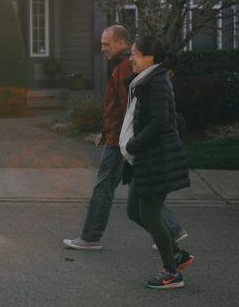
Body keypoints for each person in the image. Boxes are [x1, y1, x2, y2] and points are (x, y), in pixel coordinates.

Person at [63, 25, 187, 250]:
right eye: (101, 44)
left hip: (123, 140)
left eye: (106, 44)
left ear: (122, 43)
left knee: (105, 187)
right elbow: (119, 107)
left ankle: (90, 237)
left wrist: (126, 139)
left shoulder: (125, 68)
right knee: (142, 189)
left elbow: (131, 108)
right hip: (120, 136)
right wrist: (105, 130)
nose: (102, 48)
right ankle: (173, 231)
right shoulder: (122, 66)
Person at [121, 36, 193, 289]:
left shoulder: (157, 82)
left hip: (158, 159)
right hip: (146, 160)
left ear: (149, 57)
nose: (130, 58)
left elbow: (160, 123)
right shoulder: (147, 81)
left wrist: (133, 145)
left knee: (150, 215)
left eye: (134, 54)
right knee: (133, 210)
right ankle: (175, 254)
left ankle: (172, 273)